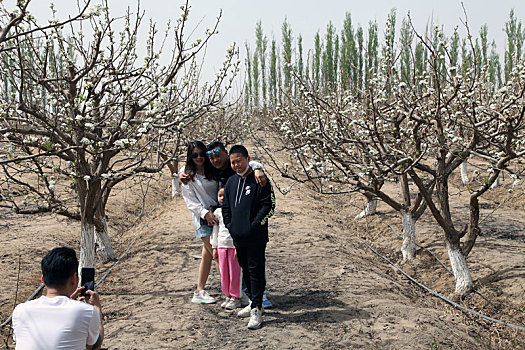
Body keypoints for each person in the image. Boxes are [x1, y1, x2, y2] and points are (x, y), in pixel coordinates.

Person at [222, 145, 275, 330]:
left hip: (256, 237)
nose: (236, 165)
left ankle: (257, 309)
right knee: (245, 269)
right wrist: (231, 227)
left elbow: (269, 206)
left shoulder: (259, 179)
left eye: (239, 161)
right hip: (238, 236)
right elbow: (226, 208)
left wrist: (255, 225)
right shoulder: (230, 182)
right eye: (233, 162)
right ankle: (252, 302)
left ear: (247, 158)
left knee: (256, 270)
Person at [12, 247, 104, 350]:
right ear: (74, 278)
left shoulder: (20, 311)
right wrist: (97, 308)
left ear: (43, 280)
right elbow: (93, 347)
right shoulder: (87, 311)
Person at [180, 141, 219, 304]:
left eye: (202, 154)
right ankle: (233, 292)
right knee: (218, 255)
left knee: (207, 256)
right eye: (195, 155)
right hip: (203, 219)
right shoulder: (187, 174)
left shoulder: (214, 168)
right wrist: (205, 214)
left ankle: (199, 290)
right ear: (190, 157)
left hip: (218, 217)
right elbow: (190, 201)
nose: (199, 158)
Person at [211, 187, 242, 309]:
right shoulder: (217, 212)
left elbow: (239, 229)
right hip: (221, 246)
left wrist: (238, 245)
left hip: (233, 246)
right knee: (224, 272)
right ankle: (227, 295)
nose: (222, 198)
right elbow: (215, 230)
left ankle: (235, 297)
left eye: (225, 195)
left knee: (235, 272)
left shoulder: (236, 210)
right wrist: (214, 247)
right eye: (220, 195)